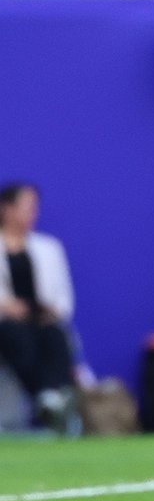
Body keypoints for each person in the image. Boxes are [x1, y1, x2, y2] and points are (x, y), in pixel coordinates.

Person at [0, 182, 78, 429]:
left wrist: (52, 310)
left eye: (35, 208)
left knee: (55, 336)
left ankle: (48, 398)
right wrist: (8, 307)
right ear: (7, 209)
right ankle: (47, 397)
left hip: (42, 322)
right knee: (17, 336)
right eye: (26, 207)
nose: (33, 213)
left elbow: (63, 298)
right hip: (6, 324)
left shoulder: (49, 248)